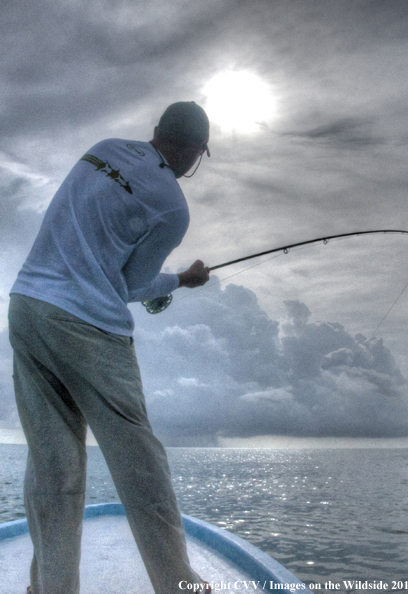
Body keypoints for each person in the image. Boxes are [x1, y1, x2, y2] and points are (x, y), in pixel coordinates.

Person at [9, 101, 212, 594]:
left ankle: (51, 588)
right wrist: (183, 281)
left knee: (53, 465)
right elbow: (132, 284)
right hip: (89, 328)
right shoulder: (171, 204)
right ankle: (178, 585)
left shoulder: (101, 150)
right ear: (191, 151)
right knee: (141, 465)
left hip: (27, 306)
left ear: (158, 130)